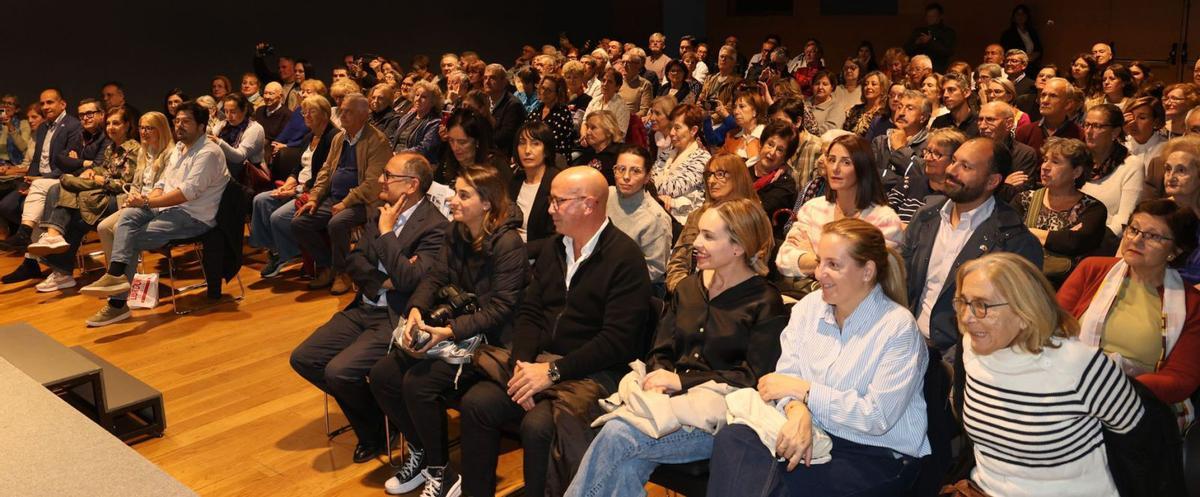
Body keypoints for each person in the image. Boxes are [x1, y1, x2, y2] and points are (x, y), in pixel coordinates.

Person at [566, 198, 784, 497]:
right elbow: (661, 350)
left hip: (717, 419)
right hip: (666, 404)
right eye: (698, 234)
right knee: (627, 469)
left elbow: (754, 376)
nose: (696, 243)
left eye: (709, 236)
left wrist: (681, 380)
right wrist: (659, 378)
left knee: (618, 433)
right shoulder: (688, 288)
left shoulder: (764, 301)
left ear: (738, 247)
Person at [457, 166, 651, 497]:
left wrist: (553, 372)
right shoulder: (554, 249)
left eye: (558, 201)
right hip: (542, 365)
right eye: (550, 200)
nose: (549, 209)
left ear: (589, 205)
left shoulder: (625, 258)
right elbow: (531, 313)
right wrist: (522, 367)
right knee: (477, 402)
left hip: (595, 372)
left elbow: (618, 342)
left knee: (538, 426)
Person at [708, 217, 929, 496]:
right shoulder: (809, 307)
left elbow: (876, 417)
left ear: (867, 271)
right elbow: (785, 378)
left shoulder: (898, 327)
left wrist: (806, 393)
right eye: (820, 261)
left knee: (779, 485)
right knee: (735, 439)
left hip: (874, 452)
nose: (819, 273)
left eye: (833, 265)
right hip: (813, 430)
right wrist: (798, 411)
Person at [369, 164, 526, 497]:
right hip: (456, 332)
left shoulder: (508, 244)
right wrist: (415, 310)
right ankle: (424, 453)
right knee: (383, 375)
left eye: (463, 194)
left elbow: (500, 309)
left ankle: (442, 473)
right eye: (454, 192)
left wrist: (450, 331)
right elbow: (435, 278)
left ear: (487, 203)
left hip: (489, 344)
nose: (452, 200)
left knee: (417, 384)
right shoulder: (458, 232)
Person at [290, 152, 448, 468]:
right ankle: (377, 417)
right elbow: (355, 260)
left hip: (395, 317)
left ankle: (372, 431)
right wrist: (382, 282)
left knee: (339, 371)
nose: (380, 179)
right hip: (365, 305)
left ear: (412, 185)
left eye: (388, 175)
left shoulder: (435, 227)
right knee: (304, 358)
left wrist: (388, 234)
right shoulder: (380, 212)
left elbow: (409, 281)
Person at [953, 252, 1145, 496]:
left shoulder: (1079, 364)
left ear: (1025, 313)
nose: (967, 317)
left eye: (982, 305)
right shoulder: (973, 348)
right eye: (963, 302)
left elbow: (1136, 436)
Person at [77, 101, 230, 326]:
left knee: (131, 237)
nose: (179, 125)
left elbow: (185, 193)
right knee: (127, 217)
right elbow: (163, 182)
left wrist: (148, 201)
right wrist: (145, 202)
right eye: (177, 121)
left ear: (201, 126)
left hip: (193, 216)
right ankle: (117, 276)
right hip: (167, 208)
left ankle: (117, 304)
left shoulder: (208, 152)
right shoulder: (179, 148)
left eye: (186, 121)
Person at [1058, 199, 1200, 413]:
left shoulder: (1191, 303)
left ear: (1175, 250)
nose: (1136, 240)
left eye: (1152, 236)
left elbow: (1181, 378)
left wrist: (1115, 387)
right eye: (1134, 229)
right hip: (1069, 381)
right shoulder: (1092, 269)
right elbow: (1050, 328)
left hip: (1137, 400)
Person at [903, 136, 1042, 352]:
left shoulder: (1014, 240)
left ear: (992, 181)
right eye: (954, 161)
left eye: (965, 166)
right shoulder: (926, 216)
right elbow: (903, 282)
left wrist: (954, 365)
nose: (952, 170)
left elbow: (1011, 321)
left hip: (966, 357)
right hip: (907, 340)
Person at [25, 106, 141, 292]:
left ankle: (59, 262)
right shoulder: (111, 148)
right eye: (109, 123)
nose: (111, 127)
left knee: (73, 212)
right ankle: (55, 245)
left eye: (116, 123)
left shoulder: (134, 148)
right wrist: (92, 171)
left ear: (127, 125)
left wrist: (101, 179)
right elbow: (102, 169)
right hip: (102, 194)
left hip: (119, 199)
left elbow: (127, 185)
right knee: (57, 188)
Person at [292, 93, 391, 294]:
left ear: (363, 115)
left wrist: (346, 203)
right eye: (342, 110)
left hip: (363, 202)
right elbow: (326, 172)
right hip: (336, 199)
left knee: (337, 223)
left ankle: (343, 273)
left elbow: (373, 184)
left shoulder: (377, 141)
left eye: (348, 111)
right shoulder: (339, 138)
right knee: (299, 222)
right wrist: (314, 198)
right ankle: (328, 266)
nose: (342, 115)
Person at [778, 133, 903, 280]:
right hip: (810, 296)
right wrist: (840, 263)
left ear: (862, 167)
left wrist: (815, 257)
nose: (835, 168)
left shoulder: (885, 220)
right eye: (831, 160)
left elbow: (870, 275)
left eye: (846, 162)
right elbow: (784, 260)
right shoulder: (812, 208)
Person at [251, 95, 338, 278]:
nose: (306, 116)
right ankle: (275, 251)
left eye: (311, 112)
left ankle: (289, 254)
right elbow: (299, 166)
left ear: (325, 114)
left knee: (278, 217)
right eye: (304, 112)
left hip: (315, 191)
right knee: (260, 200)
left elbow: (325, 175)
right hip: (298, 186)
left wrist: (297, 189)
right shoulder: (309, 136)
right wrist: (290, 182)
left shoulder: (333, 137)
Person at [0, 91, 85, 255]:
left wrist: (41, 179)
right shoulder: (43, 128)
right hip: (37, 180)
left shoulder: (73, 126)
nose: (45, 107)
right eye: (43, 103)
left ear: (63, 104)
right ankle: (32, 247)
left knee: (30, 209)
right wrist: (27, 183)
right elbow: (37, 160)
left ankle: (31, 252)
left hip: (58, 179)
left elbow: (69, 164)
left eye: (50, 102)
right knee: (7, 206)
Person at [1012, 137, 1109, 279]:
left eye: (1055, 162)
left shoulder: (1093, 209)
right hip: (1022, 280)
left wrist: (1025, 231)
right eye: (1045, 160)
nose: (1045, 167)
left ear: (1076, 172)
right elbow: (1005, 235)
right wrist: (1059, 237)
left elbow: (1074, 243)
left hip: (1067, 286)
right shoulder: (1024, 199)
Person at [93, 112, 174, 268]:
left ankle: (128, 275)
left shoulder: (171, 154)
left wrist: (139, 201)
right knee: (103, 227)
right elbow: (136, 184)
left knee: (118, 228)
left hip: (157, 204)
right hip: (139, 202)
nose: (143, 132)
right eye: (141, 128)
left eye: (149, 128)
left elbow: (164, 188)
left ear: (161, 130)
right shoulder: (144, 151)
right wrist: (132, 198)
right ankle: (115, 276)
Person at [607, 144, 672, 286]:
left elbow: (655, 269)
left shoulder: (655, 218)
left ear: (647, 177)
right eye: (621, 169)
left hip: (633, 285)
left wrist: (612, 282)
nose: (625, 177)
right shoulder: (607, 194)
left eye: (635, 171)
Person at [1080, 104, 1144, 239]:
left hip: (1103, 240)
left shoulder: (1132, 165)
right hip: (1068, 232)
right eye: (1086, 125)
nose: (1089, 131)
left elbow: (1124, 220)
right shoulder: (1078, 160)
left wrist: (1085, 239)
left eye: (1097, 126)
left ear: (1115, 132)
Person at [887, 127, 966, 222]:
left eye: (937, 154)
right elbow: (884, 218)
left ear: (954, 160)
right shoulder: (908, 184)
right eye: (928, 151)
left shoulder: (957, 198)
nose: (927, 158)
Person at [510, 121, 561, 259]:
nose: (527, 150)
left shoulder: (557, 183)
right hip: (510, 252)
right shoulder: (515, 180)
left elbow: (558, 236)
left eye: (535, 144)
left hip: (541, 258)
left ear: (546, 150)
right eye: (522, 143)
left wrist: (520, 251)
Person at [652, 103, 710, 223]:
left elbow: (672, 188)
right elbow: (649, 179)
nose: (671, 132)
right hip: (659, 214)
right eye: (671, 127)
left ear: (693, 130)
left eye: (677, 128)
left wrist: (658, 193)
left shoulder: (702, 158)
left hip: (685, 223)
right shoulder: (667, 152)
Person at [978, 101, 1038, 201]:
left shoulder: (1025, 154)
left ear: (1009, 124)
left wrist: (986, 187)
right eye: (980, 119)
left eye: (990, 120)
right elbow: (967, 190)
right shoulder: (970, 150)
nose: (982, 126)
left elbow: (1020, 196)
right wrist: (1004, 184)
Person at [873, 90, 931, 190]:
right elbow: (869, 176)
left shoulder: (930, 145)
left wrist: (900, 149)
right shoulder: (880, 141)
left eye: (909, 108)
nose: (901, 113)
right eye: (899, 107)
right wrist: (903, 180)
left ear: (923, 117)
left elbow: (923, 178)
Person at [752, 119, 800, 240]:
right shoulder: (741, 168)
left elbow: (756, 214)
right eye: (770, 144)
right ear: (761, 144)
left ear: (786, 157)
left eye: (780, 150)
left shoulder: (785, 185)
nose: (772, 152)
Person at [1016, 77, 1083, 154]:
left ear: (1068, 104)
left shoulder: (1079, 135)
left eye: (1053, 96)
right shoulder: (1023, 132)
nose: (1045, 101)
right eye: (1043, 95)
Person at [209, 93, 264, 180]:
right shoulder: (223, 124)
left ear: (244, 110)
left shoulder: (255, 129)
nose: (228, 116)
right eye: (226, 111)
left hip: (246, 177)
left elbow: (239, 157)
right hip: (224, 172)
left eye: (233, 112)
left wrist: (218, 142)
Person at [390, 80, 443, 163]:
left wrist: (398, 154)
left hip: (414, 162)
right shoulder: (406, 117)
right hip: (395, 157)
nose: (418, 99)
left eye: (424, 97)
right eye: (417, 95)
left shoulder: (435, 122)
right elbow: (393, 138)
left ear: (433, 102)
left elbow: (424, 148)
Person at [525, 74, 576, 157]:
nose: (543, 92)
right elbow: (525, 129)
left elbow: (553, 143)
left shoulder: (563, 113)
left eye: (548, 90)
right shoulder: (539, 108)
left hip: (554, 158)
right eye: (543, 88)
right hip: (534, 152)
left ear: (558, 93)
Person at [482, 64, 528, 156]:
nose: (487, 82)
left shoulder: (513, 105)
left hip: (504, 156)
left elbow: (505, 137)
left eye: (492, 78)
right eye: (485, 78)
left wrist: (479, 140)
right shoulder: (484, 100)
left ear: (504, 82)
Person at [573, 110, 624, 185]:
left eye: (593, 128)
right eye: (587, 127)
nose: (587, 132)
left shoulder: (620, 155)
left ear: (609, 131)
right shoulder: (587, 153)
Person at [584, 68, 632, 137]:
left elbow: (620, 134)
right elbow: (584, 122)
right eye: (603, 80)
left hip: (610, 145)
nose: (605, 84)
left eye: (610, 82)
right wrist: (584, 136)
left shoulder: (622, 107)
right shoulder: (595, 100)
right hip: (591, 140)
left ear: (617, 87)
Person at [722, 88, 767, 161]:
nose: (736, 112)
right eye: (734, 107)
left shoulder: (767, 137)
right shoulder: (731, 135)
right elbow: (720, 160)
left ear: (754, 111)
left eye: (741, 106)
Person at [842, 71, 890, 138]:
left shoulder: (885, 113)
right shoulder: (855, 109)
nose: (868, 87)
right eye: (866, 84)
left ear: (882, 89)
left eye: (873, 84)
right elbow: (844, 132)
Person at [1124, 96, 1166, 169]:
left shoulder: (1166, 148)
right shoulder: (1121, 145)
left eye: (1142, 118)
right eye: (1131, 117)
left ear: (1156, 122)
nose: (1133, 122)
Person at [931, 72, 978, 137]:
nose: (945, 95)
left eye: (951, 90)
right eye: (943, 91)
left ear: (966, 92)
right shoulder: (939, 122)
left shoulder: (979, 122)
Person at [1000, 5, 1043, 71]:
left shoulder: (1032, 32)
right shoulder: (1008, 34)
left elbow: (1039, 49)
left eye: (1023, 14)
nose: (1021, 16)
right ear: (1013, 17)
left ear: (1027, 16)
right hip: (1015, 65)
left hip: (1032, 65)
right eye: (1018, 14)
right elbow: (1006, 51)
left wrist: (1032, 57)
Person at [367, 84, 402, 149]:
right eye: (373, 97)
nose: (375, 101)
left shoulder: (394, 119)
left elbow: (385, 142)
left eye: (380, 98)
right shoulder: (368, 116)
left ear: (388, 100)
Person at [0, 95, 30, 167]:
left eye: (10, 103)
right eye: (3, 103)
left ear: (17, 109)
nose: (6, 106)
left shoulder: (24, 123)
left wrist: (10, 126)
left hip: (14, 164)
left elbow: (24, 147)